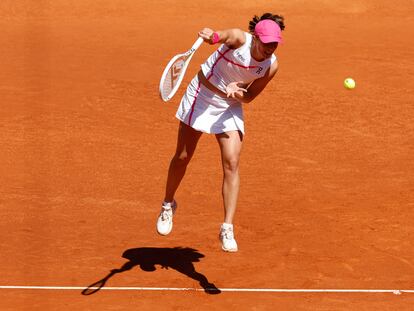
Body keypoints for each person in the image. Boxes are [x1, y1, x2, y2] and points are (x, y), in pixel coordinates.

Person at [156, 13, 285, 252]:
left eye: (274, 44)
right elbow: (222, 35)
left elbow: (250, 96)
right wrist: (212, 36)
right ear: (255, 37)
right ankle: (167, 204)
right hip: (201, 97)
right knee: (182, 157)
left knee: (232, 162)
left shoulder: (271, 66)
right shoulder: (239, 39)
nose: (270, 48)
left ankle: (227, 227)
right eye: (266, 42)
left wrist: (239, 93)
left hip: (228, 105)